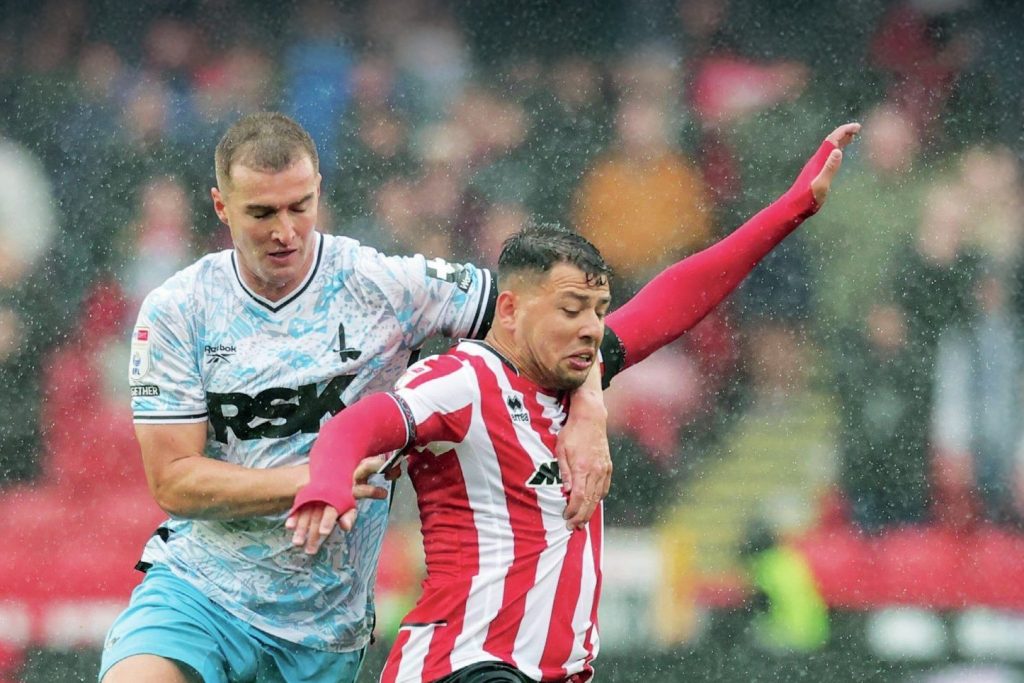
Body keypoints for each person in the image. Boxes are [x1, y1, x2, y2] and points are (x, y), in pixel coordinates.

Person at [287, 123, 859, 682]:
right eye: (570, 309)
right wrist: (327, 485)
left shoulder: (579, 376)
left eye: (598, 308)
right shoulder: (462, 380)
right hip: (465, 663)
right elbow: (358, 425)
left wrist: (793, 208)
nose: (590, 326)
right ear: (508, 310)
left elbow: (683, 291)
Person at [101, 112, 613, 683]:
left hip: (326, 627)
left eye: (300, 206)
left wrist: (589, 407)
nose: (285, 231)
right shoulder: (178, 311)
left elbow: (546, 316)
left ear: (319, 190)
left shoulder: (384, 286)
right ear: (222, 207)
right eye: (262, 213)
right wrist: (318, 480)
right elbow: (173, 481)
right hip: (202, 594)